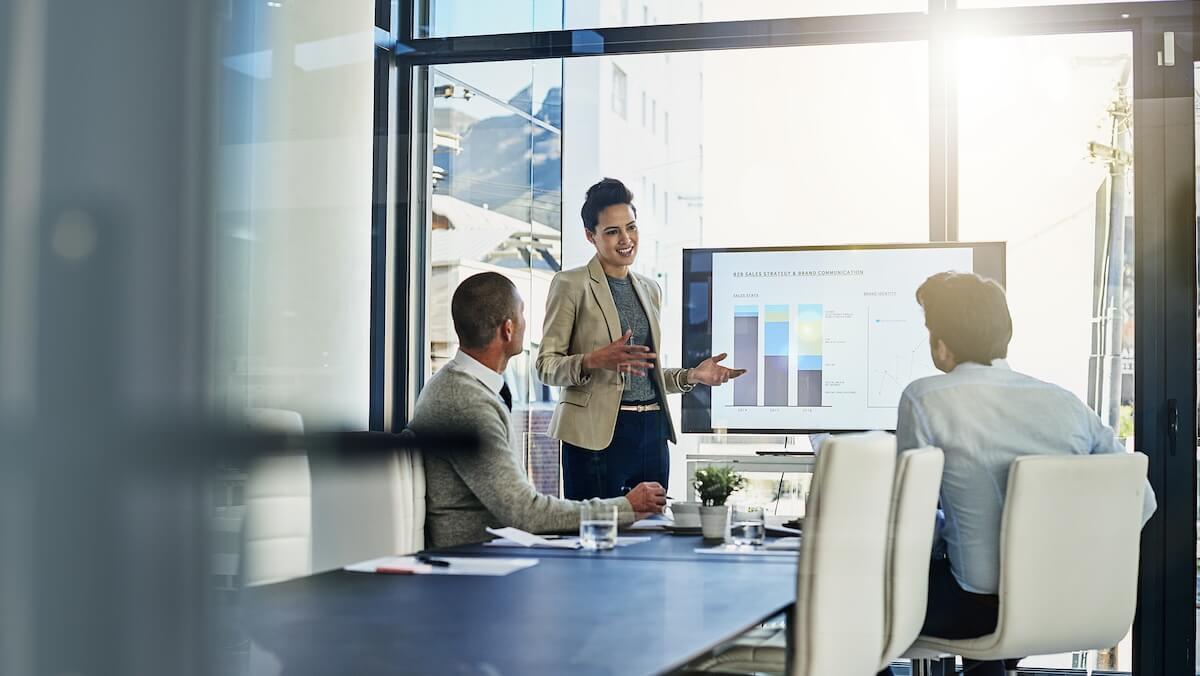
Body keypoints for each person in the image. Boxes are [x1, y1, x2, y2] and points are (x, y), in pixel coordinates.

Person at [881, 271, 1156, 676]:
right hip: (1066, 603)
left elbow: (911, 523)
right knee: (973, 573)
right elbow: (1143, 501)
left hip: (976, 607)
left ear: (941, 345)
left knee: (842, 608)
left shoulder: (926, 398)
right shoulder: (1065, 403)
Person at [410, 272, 667, 549]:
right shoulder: (465, 404)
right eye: (522, 314)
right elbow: (526, 513)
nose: (525, 323)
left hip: (499, 550)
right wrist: (626, 506)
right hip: (479, 562)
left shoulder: (460, 386)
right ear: (508, 329)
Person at [536, 178, 745, 500]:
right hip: (595, 436)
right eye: (612, 231)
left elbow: (645, 373)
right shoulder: (570, 284)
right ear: (590, 236)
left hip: (651, 431)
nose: (625, 239)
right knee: (598, 535)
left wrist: (692, 376)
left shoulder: (649, 289)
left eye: (631, 228)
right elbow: (546, 366)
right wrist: (593, 360)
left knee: (651, 529)